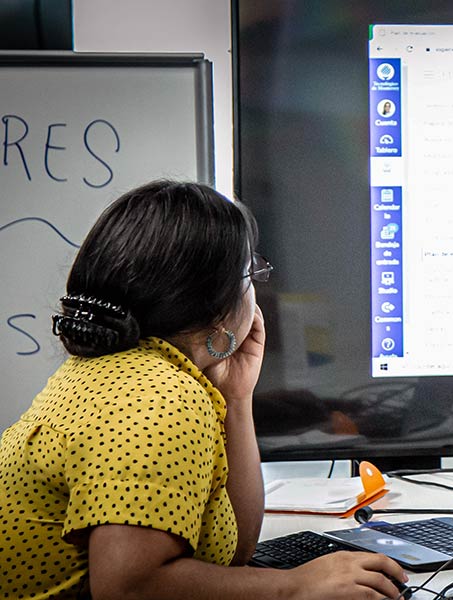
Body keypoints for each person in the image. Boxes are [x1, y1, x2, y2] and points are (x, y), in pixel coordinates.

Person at [0, 181, 407, 599]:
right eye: (250, 276)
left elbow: (233, 552)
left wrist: (237, 398)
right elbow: (127, 587)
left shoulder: (117, 373)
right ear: (216, 307)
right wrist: (296, 586)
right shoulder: (159, 396)